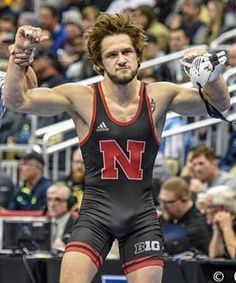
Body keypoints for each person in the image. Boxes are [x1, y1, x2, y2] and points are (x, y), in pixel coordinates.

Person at [3, 13, 230, 283]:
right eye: (112, 55)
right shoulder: (82, 98)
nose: (121, 59)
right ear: (100, 62)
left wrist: (211, 74)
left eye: (126, 51)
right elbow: (19, 101)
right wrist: (20, 56)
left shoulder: (160, 94)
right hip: (95, 215)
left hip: (141, 218)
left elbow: (219, 103)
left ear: (138, 55)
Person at [158, 177, 210, 256]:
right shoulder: (163, 220)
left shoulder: (199, 226)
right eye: (161, 201)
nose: (162, 206)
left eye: (167, 202)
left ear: (184, 198)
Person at [205, 185, 236, 259]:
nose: (205, 211)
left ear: (223, 208)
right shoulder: (219, 226)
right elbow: (214, 258)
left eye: (209, 207)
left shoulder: (228, 227)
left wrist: (227, 229)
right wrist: (217, 231)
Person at [47, 181, 78, 251]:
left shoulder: (78, 225)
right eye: (49, 199)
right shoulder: (41, 224)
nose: (52, 204)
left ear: (70, 202)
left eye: (57, 200)